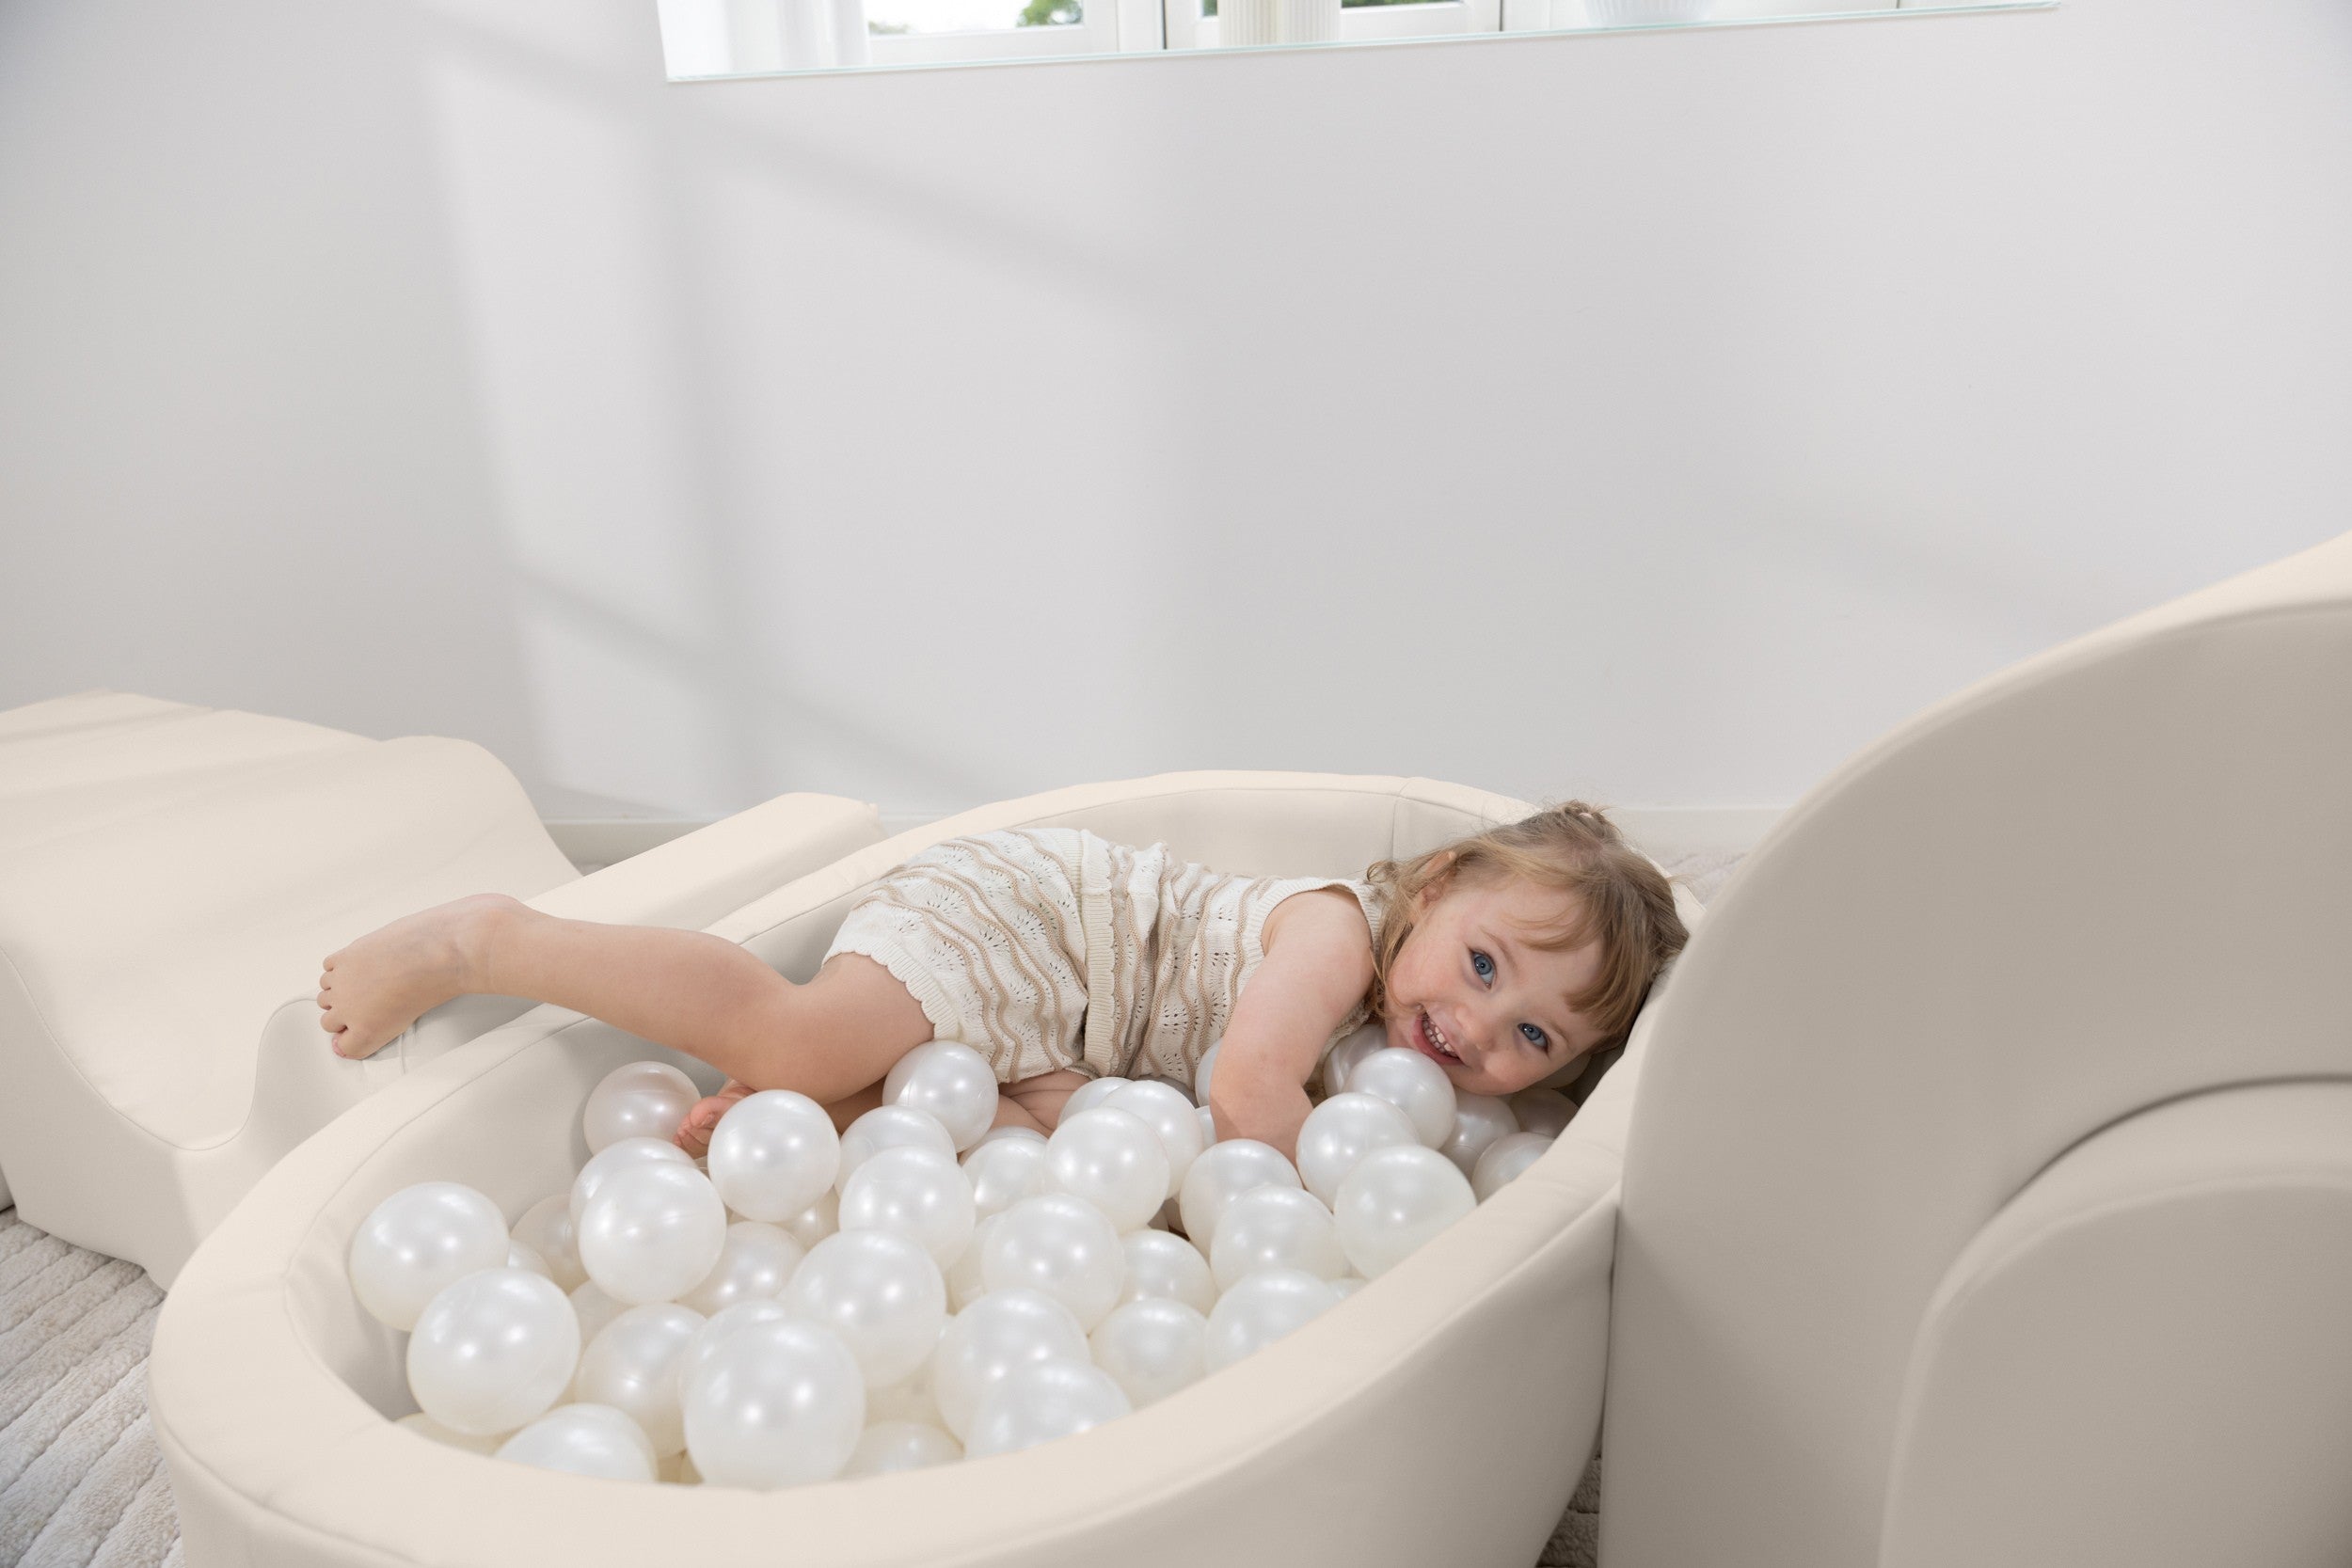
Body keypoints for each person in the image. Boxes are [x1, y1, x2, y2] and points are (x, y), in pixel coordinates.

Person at [314, 804, 1687, 1162]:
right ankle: (487, 939)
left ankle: (834, 1116)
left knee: (1045, 1134)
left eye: (1531, 1039)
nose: (1474, 1027)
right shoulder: (1336, 939)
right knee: (798, 1037)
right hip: (1041, 925)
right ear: (1431, 893)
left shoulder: (1413, 1064)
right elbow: (1245, 1087)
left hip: (1083, 1038)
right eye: (1485, 964)